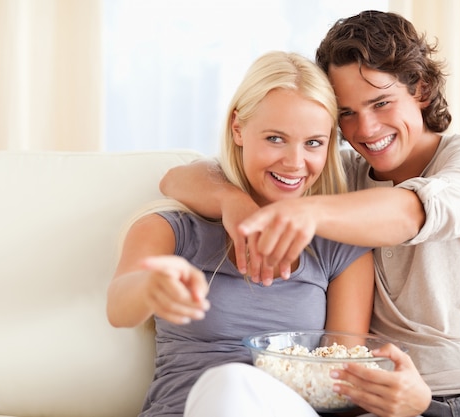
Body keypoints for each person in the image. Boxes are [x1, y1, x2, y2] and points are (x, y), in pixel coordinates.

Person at [160, 10, 460, 417]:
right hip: (386, 402)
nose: (366, 129)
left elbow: (409, 213)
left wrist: (304, 214)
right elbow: (181, 177)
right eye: (347, 113)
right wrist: (234, 203)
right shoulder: (343, 174)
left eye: (381, 103)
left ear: (420, 89)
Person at [106, 51, 375, 417]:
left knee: (236, 384)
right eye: (276, 138)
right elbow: (119, 308)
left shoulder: (341, 248)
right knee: (229, 384)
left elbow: (341, 380)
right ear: (238, 128)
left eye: (313, 143)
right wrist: (152, 286)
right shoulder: (176, 229)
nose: (296, 162)